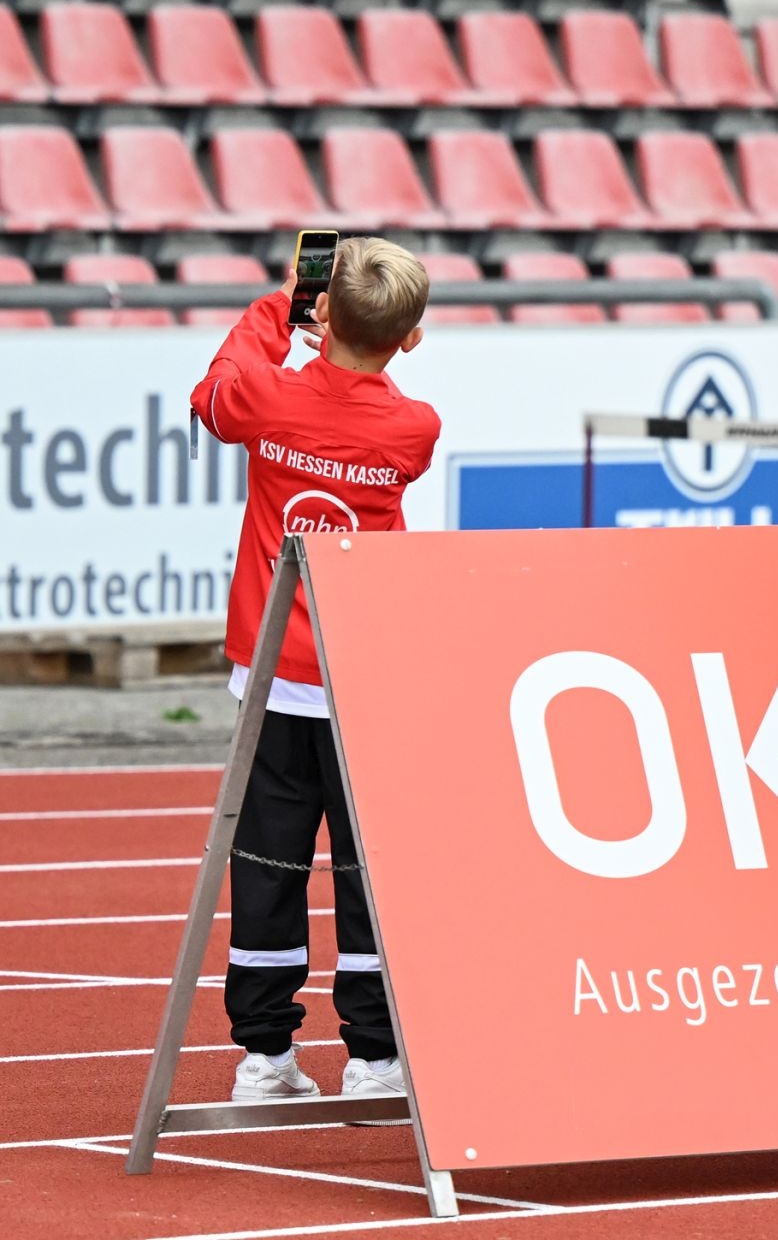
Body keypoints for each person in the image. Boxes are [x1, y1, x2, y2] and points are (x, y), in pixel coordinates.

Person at [188, 238, 441, 1104]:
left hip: (272, 675)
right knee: (368, 867)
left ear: (323, 310)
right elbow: (364, 407)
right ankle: (374, 1058)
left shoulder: (271, 396)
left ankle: (264, 1057)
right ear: (410, 339)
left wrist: (282, 307)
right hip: (359, 674)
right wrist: (341, 328)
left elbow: (216, 393)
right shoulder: (414, 427)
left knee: (267, 860)